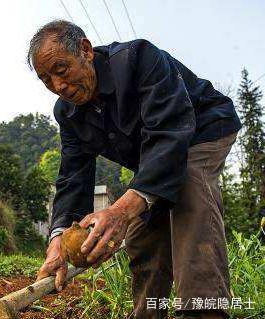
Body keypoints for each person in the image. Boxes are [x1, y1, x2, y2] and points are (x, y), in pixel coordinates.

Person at [28, 20, 242, 319]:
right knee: (142, 233)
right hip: (155, 154)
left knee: (188, 186)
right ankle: (148, 313)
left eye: (61, 71)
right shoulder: (67, 113)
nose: (58, 86)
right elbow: (73, 177)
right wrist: (58, 243)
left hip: (202, 127)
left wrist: (119, 210)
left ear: (85, 50)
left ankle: (204, 311)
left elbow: (170, 133)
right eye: (46, 80)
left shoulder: (138, 59)